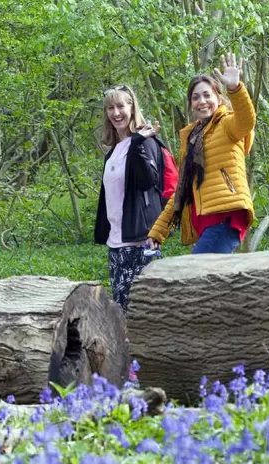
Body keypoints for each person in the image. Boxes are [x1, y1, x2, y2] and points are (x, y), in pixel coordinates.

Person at [147, 53, 256, 254]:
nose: (202, 101)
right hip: (205, 222)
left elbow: (247, 121)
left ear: (219, 98)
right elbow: (182, 189)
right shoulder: (192, 138)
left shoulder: (227, 124)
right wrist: (158, 232)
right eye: (195, 97)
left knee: (196, 269)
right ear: (191, 104)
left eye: (207, 95)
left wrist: (235, 88)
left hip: (226, 216)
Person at [94, 84, 165, 311]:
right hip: (116, 243)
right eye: (110, 108)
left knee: (143, 311)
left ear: (132, 107)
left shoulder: (146, 141)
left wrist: (136, 144)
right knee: (121, 310)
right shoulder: (112, 153)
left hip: (140, 243)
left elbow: (149, 181)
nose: (116, 113)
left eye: (121, 106)